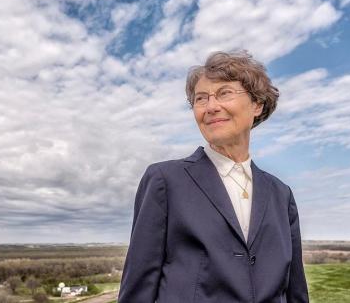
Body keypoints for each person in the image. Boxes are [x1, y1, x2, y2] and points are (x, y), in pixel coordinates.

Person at [118, 50, 309, 302]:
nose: (211, 107)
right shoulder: (165, 180)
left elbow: (295, 289)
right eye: (201, 98)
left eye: (224, 93)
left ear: (257, 104)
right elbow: (138, 289)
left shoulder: (281, 194)